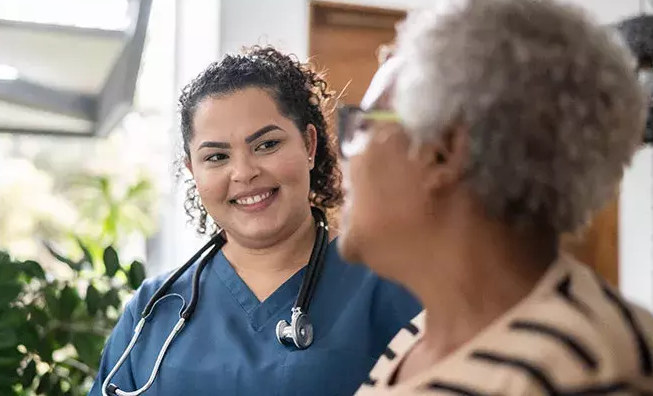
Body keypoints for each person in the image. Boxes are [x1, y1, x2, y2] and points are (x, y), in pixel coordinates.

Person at [337, 0, 653, 395]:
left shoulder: (582, 371)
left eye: (363, 126)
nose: (346, 156)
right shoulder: (418, 337)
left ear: (442, 151)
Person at [89, 46, 420, 396]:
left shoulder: (390, 287)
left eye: (267, 145)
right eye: (216, 156)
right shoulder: (154, 309)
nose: (244, 172)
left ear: (309, 145)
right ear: (193, 172)